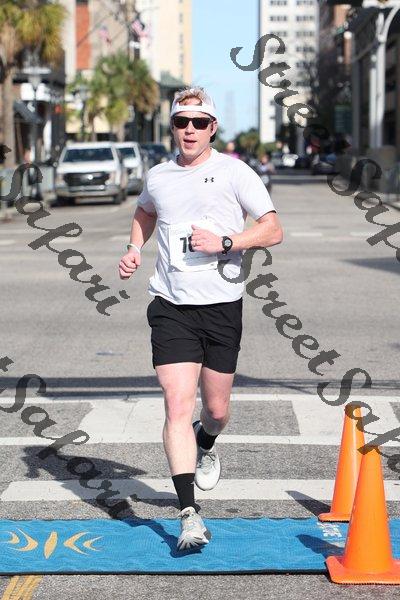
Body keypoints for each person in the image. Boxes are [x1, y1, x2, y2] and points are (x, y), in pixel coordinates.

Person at [118, 86, 283, 551]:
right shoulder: (159, 176)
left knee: (216, 412)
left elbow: (273, 229)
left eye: (198, 122)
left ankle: (205, 442)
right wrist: (134, 248)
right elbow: (144, 211)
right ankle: (188, 514)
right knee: (176, 405)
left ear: (212, 128)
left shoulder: (235, 172)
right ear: (172, 127)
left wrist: (226, 243)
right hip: (170, 306)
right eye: (181, 122)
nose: (189, 130)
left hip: (221, 306)